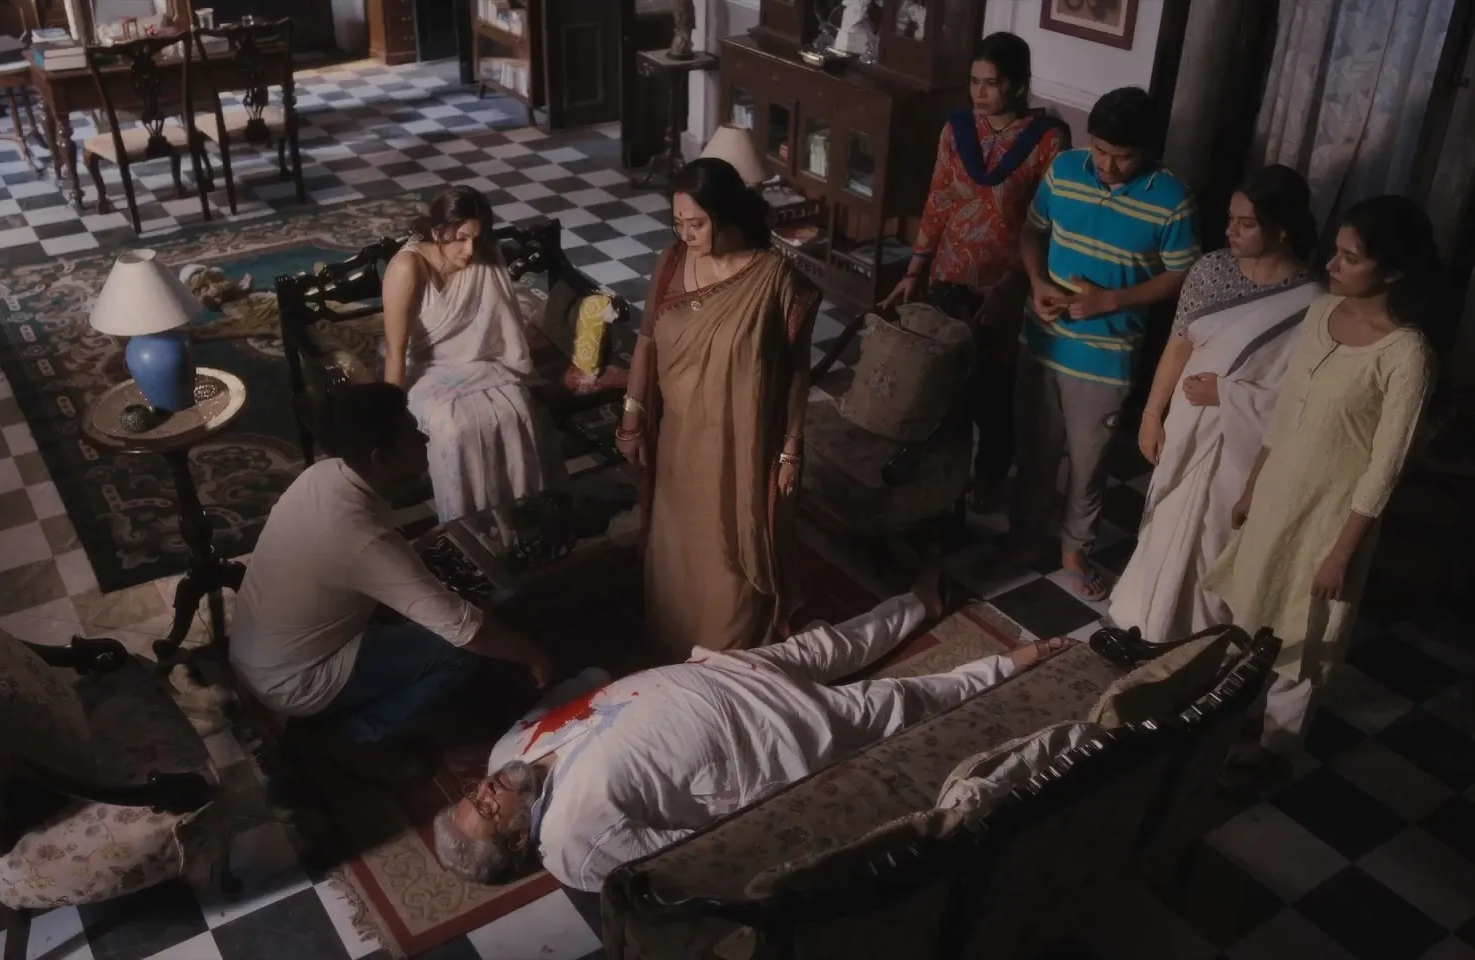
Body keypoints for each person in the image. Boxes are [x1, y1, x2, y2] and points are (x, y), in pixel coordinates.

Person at [430, 569, 1068, 891]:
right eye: (486, 810)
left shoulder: (507, 753)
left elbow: (578, 688)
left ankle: (918, 605)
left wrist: (620, 681)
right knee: (900, 702)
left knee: (829, 643)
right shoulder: (576, 849)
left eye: (471, 795)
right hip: (770, 737)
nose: (483, 790)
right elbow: (697, 857)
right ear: (518, 841)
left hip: (721, 672)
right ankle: (1013, 665)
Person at [1204, 195, 1439, 788]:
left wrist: (1342, 552)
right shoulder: (1322, 313)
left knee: (1304, 634)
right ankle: (1233, 712)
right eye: (1335, 251)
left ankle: (1276, 747)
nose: (1332, 265)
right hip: (1278, 493)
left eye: (1350, 258)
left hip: (1333, 517)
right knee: (1252, 604)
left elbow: (1386, 465)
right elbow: (1287, 411)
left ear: (1393, 271)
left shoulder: (1406, 354)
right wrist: (1253, 485)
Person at [231, 383, 553, 778]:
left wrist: (409, 555)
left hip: (253, 655)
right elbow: (463, 629)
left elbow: (366, 555)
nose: (425, 438)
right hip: (293, 683)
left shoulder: (323, 475)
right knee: (459, 651)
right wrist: (529, 653)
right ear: (380, 458)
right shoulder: (362, 540)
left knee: (421, 612)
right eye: (413, 433)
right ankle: (359, 737)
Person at [1106, 165, 1324, 645]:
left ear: (1282, 229)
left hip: (1244, 447)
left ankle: (1200, 640)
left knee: (1215, 537)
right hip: (1189, 426)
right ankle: (1146, 621)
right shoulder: (1210, 270)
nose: (1231, 231)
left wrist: (1226, 395)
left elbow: (1302, 401)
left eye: (1246, 223)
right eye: (1230, 219)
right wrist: (1152, 414)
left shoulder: (1313, 302)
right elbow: (1179, 345)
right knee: (1167, 522)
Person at [618, 158, 822, 657]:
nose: (686, 235)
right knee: (676, 550)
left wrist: (791, 449)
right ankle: (673, 646)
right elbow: (646, 341)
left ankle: (725, 656)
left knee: (730, 555)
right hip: (678, 442)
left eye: (697, 224)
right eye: (678, 223)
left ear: (726, 215)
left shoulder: (774, 278)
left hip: (740, 451)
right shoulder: (671, 263)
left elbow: (797, 370)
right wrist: (632, 415)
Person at [1013, 86, 1200, 601]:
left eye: (1123, 157)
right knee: (1034, 448)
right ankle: (1025, 538)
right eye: (1099, 150)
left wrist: (1111, 301)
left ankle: (1074, 550)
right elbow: (1031, 231)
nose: (1108, 166)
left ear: (1149, 151)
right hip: (1043, 339)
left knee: (1088, 462)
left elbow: (1182, 276)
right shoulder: (1064, 170)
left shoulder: (1172, 199)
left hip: (1107, 356)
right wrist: (1037, 282)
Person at [882, 32, 1069, 511]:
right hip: (950, 273)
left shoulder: (1047, 140)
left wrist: (1014, 284)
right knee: (943, 377)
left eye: (992, 83)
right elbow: (939, 199)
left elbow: (1046, 222)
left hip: (1006, 281)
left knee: (994, 387)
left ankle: (989, 477)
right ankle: (939, 477)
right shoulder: (958, 129)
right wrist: (916, 267)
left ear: (1019, 85)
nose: (979, 93)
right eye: (974, 81)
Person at [383, 185, 563, 522]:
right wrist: (390, 417)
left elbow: (501, 334)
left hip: (482, 363)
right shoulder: (407, 268)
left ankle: (524, 522)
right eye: (461, 239)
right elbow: (396, 348)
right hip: (426, 368)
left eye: (477, 239)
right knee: (453, 426)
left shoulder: (484, 256)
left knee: (516, 411)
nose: (470, 250)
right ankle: (469, 526)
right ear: (439, 231)